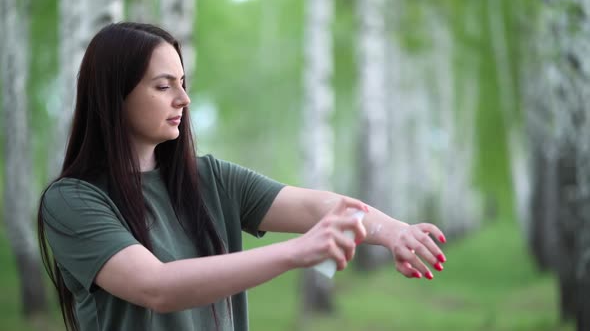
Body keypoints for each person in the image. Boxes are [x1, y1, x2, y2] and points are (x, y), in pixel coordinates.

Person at [37, 22, 447, 331]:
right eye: (164, 86)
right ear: (114, 95)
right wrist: (296, 253)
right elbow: (156, 287)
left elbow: (315, 205)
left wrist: (394, 231)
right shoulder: (72, 201)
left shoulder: (210, 178)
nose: (184, 99)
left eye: (182, 83)